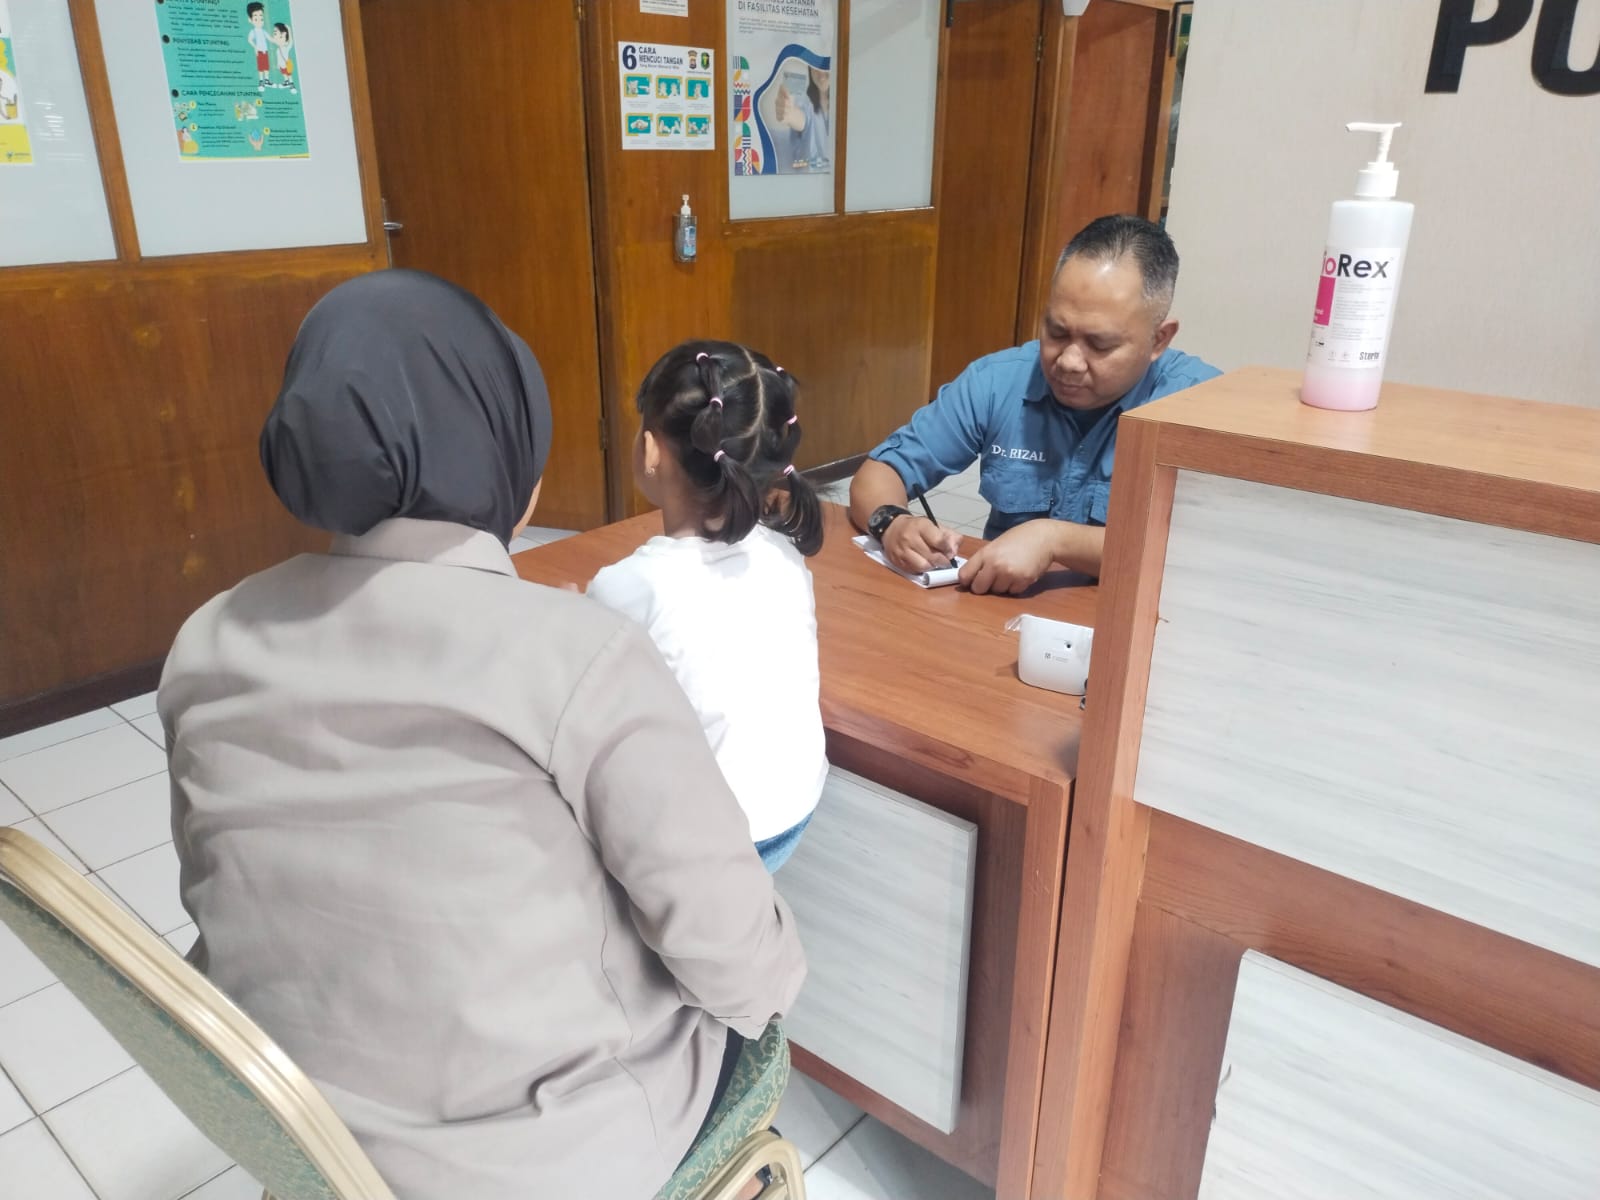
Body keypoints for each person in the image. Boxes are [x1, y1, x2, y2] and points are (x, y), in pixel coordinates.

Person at [158, 271, 805, 1200]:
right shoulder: (580, 658)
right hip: (543, 1164)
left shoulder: (207, 640)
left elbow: (216, 887)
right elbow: (735, 961)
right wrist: (774, 979)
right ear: (509, 460)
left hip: (304, 1138)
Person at [849, 214, 1220, 593]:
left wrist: (1056, 540)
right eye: (1057, 332)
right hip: (1002, 610)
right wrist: (893, 522)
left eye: (1100, 344)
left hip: (1143, 613)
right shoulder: (998, 380)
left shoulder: (1203, 406)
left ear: (1159, 340)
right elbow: (879, 473)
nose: (1069, 361)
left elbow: (1209, 550)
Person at [588, 340, 827, 873]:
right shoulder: (786, 555)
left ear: (650, 451)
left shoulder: (629, 586)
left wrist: (575, 621)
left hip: (708, 851)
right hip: (794, 813)